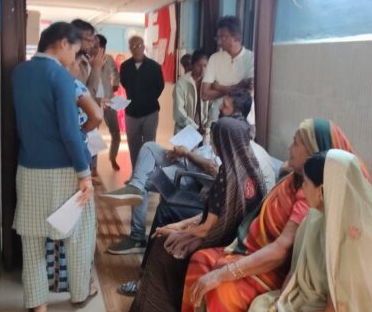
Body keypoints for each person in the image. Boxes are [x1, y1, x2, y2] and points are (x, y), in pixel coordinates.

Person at [180, 119, 370, 312]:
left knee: (222, 294)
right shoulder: (299, 189)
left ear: (314, 152)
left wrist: (226, 274)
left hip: (274, 270)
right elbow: (298, 267)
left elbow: (284, 254)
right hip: (260, 256)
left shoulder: (317, 203)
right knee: (200, 261)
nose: (289, 148)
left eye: (296, 143)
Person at [242, 150, 372, 312]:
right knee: (258, 309)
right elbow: (296, 275)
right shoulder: (315, 219)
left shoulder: (361, 239)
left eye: (306, 183)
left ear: (322, 190)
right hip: (308, 303)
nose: (302, 188)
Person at [120, 117, 267, 312]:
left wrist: (178, 233)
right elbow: (214, 217)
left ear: (222, 143)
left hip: (217, 241)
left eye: (215, 140)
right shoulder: (252, 171)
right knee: (167, 233)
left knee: (162, 247)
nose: (213, 145)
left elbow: (207, 229)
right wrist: (179, 226)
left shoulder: (227, 176)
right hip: (236, 239)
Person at [100, 89, 276, 257]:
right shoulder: (227, 132)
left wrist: (188, 154)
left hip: (195, 177)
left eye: (225, 106)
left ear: (236, 112)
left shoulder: (235, 145)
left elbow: (216, 172)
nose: (220, 108)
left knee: (144, 181)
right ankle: (135, 186)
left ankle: (137, 235)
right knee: (149, 147)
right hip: (189, 162)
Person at [11, 22, 97, 312]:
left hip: (28, 167)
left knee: (33, 238)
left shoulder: (19, 73)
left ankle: (38, 303)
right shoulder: (60, 76)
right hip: (64, 170)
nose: (74, 58)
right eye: (74, 50)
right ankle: (79, 293)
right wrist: (84, 174)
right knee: (79, 234)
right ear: (62, 43)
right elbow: (70, 132)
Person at [45, 52, 103, 293]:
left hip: (52, 158)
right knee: (78, 222)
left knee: (55, 218)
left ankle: (55, 279)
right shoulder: (75, 86)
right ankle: (78, 282)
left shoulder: (49, 85)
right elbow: (96, 115)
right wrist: (82, 132)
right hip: (76, 157)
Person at [119, 36, 165, 167]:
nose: (136, 49)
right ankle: (136, 172)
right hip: (131, 113)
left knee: (149, 144)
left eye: (139, 45)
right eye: (133, 46)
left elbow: (160, 86)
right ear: (130, 48)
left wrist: (147, 99)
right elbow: (124, 83)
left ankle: (148, 172)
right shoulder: (125, 66)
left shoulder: (154, 67)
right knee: (133, 145)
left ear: (144, 47)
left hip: (150, 112)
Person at [201, 16, 255, 128]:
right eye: (218, 37)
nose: (219, 42)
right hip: (217, 119)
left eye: (223, 37)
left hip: (244, 122)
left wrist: (218, 87)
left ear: (237, 37)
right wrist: (237, 86)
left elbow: (248, 93)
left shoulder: (251, 58)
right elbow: (205, 94)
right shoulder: (214, 58)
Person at [86, 33, 122, 171]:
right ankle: (93, 165)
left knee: (116, 132)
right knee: (93, 134)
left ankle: (113, 157)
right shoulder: (87, 60)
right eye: (96, 47)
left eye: (101, 47)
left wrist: (116, 84)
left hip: (109, 100)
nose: (99, 50)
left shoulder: (109, 59)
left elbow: (115, 73)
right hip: (94, 102)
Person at [174, 49, 211, 139]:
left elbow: (213, 108)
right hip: (184, 129)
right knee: (183, 148)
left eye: (205, 66)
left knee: (204, 148)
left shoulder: (210, 83)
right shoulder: (182, 83)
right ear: (193, 65)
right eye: (199, 65)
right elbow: (179, 111)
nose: (202, 69)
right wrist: (194, 127)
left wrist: (207, 126)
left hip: (204, 132)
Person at [70, 19, 95, 85]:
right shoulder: (63, 62)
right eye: (88, 40)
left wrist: (96, 68)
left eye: (92, 41)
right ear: (75, 38)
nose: (92, 45)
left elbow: (88, 90)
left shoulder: (85, 62)